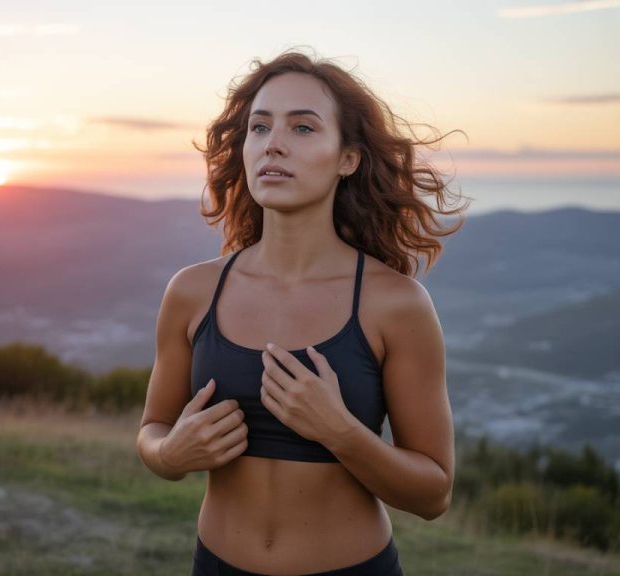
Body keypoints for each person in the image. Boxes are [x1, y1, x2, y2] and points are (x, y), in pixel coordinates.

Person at [137, 49, 469, 576]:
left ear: (348, 159)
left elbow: (434, 493)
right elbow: (153, 428)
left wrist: (340, 432)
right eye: (260, 126)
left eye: (304, 128)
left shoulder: (395, 304)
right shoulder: (193, 291)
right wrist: (169, 454)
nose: (274, 143)